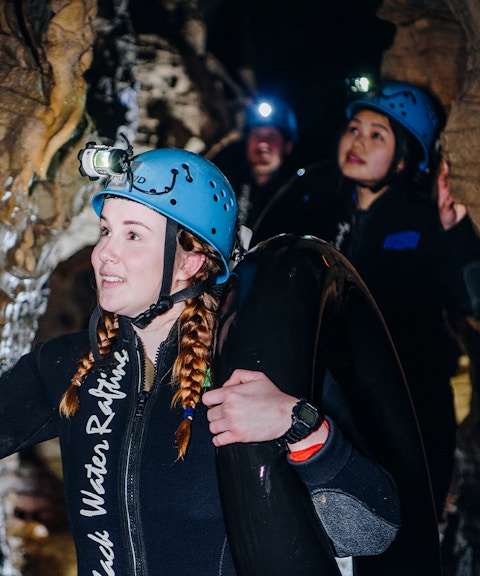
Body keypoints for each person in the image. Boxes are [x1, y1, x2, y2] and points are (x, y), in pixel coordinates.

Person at [0, 145, 404, 575]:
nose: (103, 254)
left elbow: (370, 530)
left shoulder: (254, 370)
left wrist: (300, 425)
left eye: (132, 235)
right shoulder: (69, 365)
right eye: (104, 231)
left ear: (191, 262)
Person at [255, 79, 480, 521]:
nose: (357, 141)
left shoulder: (423, 220)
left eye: (378, 135)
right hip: (330, 402)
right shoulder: (317, 208)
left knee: (410, 526)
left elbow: (473, 300)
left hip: (411, 408)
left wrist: (455, 231)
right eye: (354, 128)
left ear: (405, 158)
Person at [211, 97, 300, 237]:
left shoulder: (297, 195)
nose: (263, 142)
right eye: (256, 135)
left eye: (272, 135)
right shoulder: (223, 179)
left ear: (287, 146)